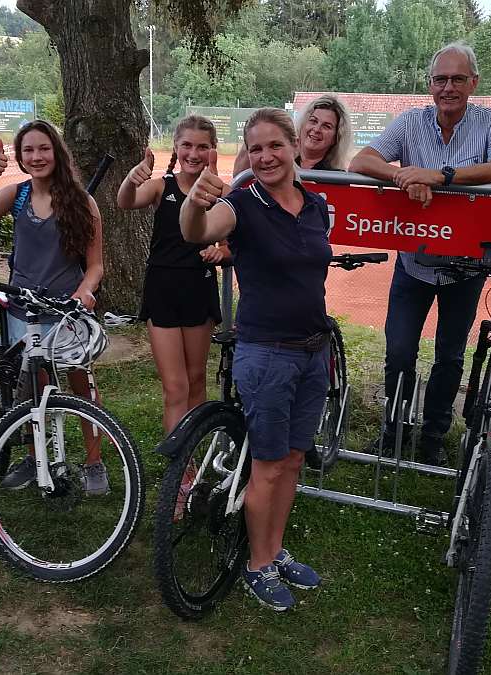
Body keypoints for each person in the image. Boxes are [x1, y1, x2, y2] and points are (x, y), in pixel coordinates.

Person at [181, 107, 331, 612]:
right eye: (256, 148)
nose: (266, 156)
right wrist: (195, 204)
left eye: (275, 146)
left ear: (293, 147)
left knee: (291, 461)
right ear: (248, 153)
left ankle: (274, 549)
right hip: (267, 355)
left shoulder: (316, 205)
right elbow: (196, 231)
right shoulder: (241, 204)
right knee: (267, 467)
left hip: (314, 352)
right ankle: (256, 566)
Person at [348, 41, 491, 463]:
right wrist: (403, 175)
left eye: (458, 79)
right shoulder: (411, 122)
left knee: (449, 358)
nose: (448, 87)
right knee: (399, 351)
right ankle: (393, 430)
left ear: (473, 83)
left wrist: (440, 176)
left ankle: (432, 438)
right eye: (441, 79)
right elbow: (361, 161)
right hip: (414, 262)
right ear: (430, 84)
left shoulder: (490, 120)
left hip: (466, 267)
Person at [0, 120, 108, 495]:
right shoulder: (17, 195)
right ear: (20, 156)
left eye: (43, 148)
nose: (36, 156)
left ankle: (94, 461)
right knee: (33, 387)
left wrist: (84, 292)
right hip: (23, 310)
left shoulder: (83, 202)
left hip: (66, 310)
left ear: (57, 152)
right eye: (28, 150)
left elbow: (95, 264)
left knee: (82, 385)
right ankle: (34, 457)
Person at [116, 115, 226, 433]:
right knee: (175, 387)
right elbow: (126, 201)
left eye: (202, 146)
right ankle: (181, 471)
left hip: (199, 288)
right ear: (176, 148)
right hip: (162, 289)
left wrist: (221, 252)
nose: (194, 153)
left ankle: (196, 450)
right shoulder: (160, 186)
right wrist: (132, 178)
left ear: (213, 150)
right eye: (187, 145)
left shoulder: (221, 191)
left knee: (196, 379)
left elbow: (230, 245)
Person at [231, 94, 352, 175]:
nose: (317, 129)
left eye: (327, 126)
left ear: (336, 137)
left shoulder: (337, 176)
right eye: (313, 121)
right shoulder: (279, 158)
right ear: (303, 123)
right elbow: (238, 179)